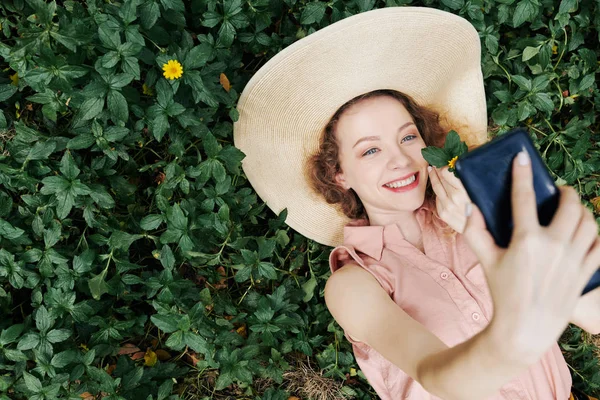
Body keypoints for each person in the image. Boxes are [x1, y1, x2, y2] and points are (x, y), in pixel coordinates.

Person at [233, 6, 600, 400]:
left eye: (408, 138)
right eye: (370, 151)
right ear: (339, 174)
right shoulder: (353, 283)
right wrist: (515, 333)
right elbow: (437, 376)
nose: (401, 160)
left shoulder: (478, 216)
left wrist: (485, 231)